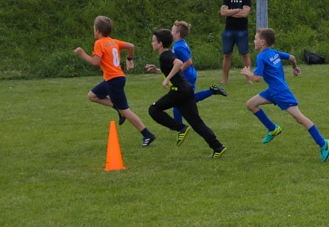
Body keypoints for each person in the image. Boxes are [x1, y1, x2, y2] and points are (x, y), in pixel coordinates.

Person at [243, 28, 329, 162]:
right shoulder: (274, 52)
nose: (253, 41)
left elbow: (258, 78)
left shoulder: (261, 56)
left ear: (262, 42)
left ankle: (323, 143)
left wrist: (248, 73)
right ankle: (272, 129)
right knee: (251, 104)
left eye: (255, 39)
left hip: (280, 92)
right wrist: (294, 67)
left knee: (299, 118)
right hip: (273, 90)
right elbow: (292, 57)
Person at [73, 15, 156, 146]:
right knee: (92, 95)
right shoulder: (113, 42)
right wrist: (129, 59)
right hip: (115, 78)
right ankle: (117, 108)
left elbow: (95, 62)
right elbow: (131, 46)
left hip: (113, 80)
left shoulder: (99, 43)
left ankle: (147, 134)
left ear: (98, 31)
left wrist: (82, 53)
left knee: (125, 110)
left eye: (94, 28)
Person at [145, 29, 227, 157]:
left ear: (160, 43)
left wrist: (166, 80)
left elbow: (179, 63)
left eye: (153, 41)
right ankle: (218, 147)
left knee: (153, 109)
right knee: (196, 123)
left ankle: (180, 128)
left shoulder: (164, 55)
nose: (152, 43)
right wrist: (157, 70)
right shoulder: (167, 54)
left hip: (179, 92)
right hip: (185, 89)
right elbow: (173, 68)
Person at [144, 20, 228, 122]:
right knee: (188, 99)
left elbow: (188, 62)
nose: (170, 33)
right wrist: (158, 70)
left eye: (172, 31)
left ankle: (179, 126)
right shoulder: (180, 43)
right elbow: (173, 66)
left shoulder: (178, 47)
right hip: (190, 74)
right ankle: (211, 91)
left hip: (187, 76)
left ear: (178, 34)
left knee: (182, 101)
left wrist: (177, 72)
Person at [219, 0, 252, 84]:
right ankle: (225, 79)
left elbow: (244, 14)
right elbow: (223, 13)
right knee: (227, 54)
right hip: (228, 30)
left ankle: (248, 79)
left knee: (245, 54)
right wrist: (237, 10)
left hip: (242, 30)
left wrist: (230, 12)